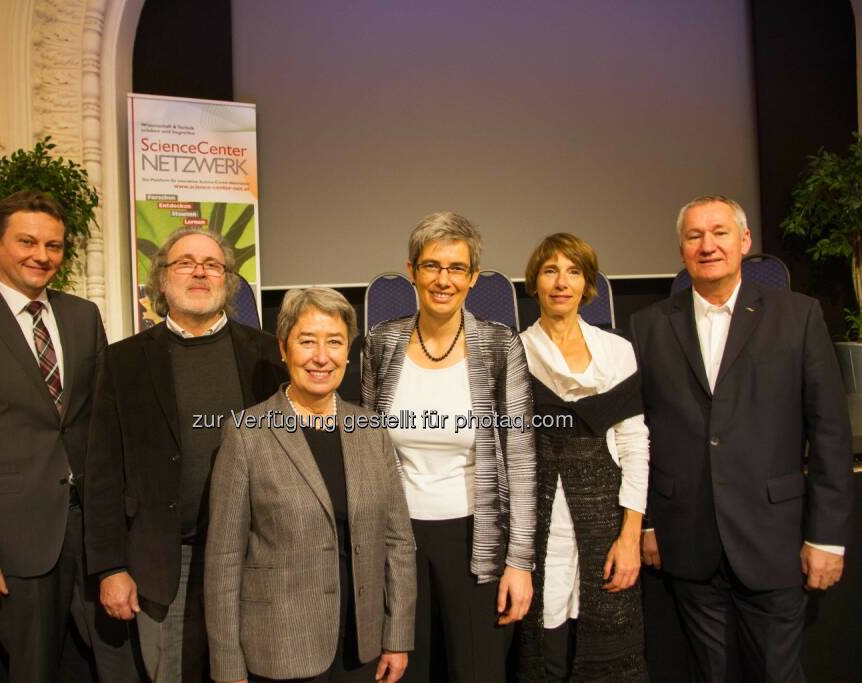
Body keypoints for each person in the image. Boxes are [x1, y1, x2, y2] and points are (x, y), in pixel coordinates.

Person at [0, 190, 139, 683]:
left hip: (94, 538)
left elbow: (101, 427)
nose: (42, 255)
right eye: (27, 242)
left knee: (120, 668)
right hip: (17, 543)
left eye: (54, 245)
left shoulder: (84, 316)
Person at [630, 195, 854, 682]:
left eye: (720, 232)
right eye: (694, 236)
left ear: (744, 241)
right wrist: (647, 523)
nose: (707, 245)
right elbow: (638, 435)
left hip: (774, 540)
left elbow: (831, 432)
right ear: (682, 249)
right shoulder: (647, 327)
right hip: (687, 541)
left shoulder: (799, 316)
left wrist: (828, 538)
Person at [84, 227, 286, 682]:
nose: (199, 271)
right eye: (185, 262)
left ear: (228, 280)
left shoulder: (268, 354)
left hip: (254, 556)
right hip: (164, 563)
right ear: (162, 279)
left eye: (212, 264)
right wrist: (110, 566)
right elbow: (102, 474)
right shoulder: (124, 362)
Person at [204, 287, 415, 683]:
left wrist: (397, 637)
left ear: (348, 353)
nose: (321, 357)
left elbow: (398, 542)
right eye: (307, 342)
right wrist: (227, 665)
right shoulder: (247, 434)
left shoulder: (370, 429)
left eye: (334, 342)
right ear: (283, 349)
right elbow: (224, 560)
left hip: (361, 648)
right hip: (281, 648)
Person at [362, 211, 536, 682]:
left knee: (474, 671)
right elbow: (366, 450)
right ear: (412, 270)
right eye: (432, 266)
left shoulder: (501, 345)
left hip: (474, 540)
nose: (443, 279)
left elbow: (520, 456)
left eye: (457, 268)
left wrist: (520, 562)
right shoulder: (380, 343)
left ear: (474, 277)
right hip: (398, 540)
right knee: (407, 670)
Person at [514, 233, 649, 682]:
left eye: (573, 271)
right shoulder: (513, 354)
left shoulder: (617, 351)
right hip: (540, 521)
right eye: (550, 270)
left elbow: (634, 445)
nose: (561, 281)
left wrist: (631, 536)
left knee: (607, 637)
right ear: (536, 280)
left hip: (606, 519)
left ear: (587, 283)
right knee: (546, 645)